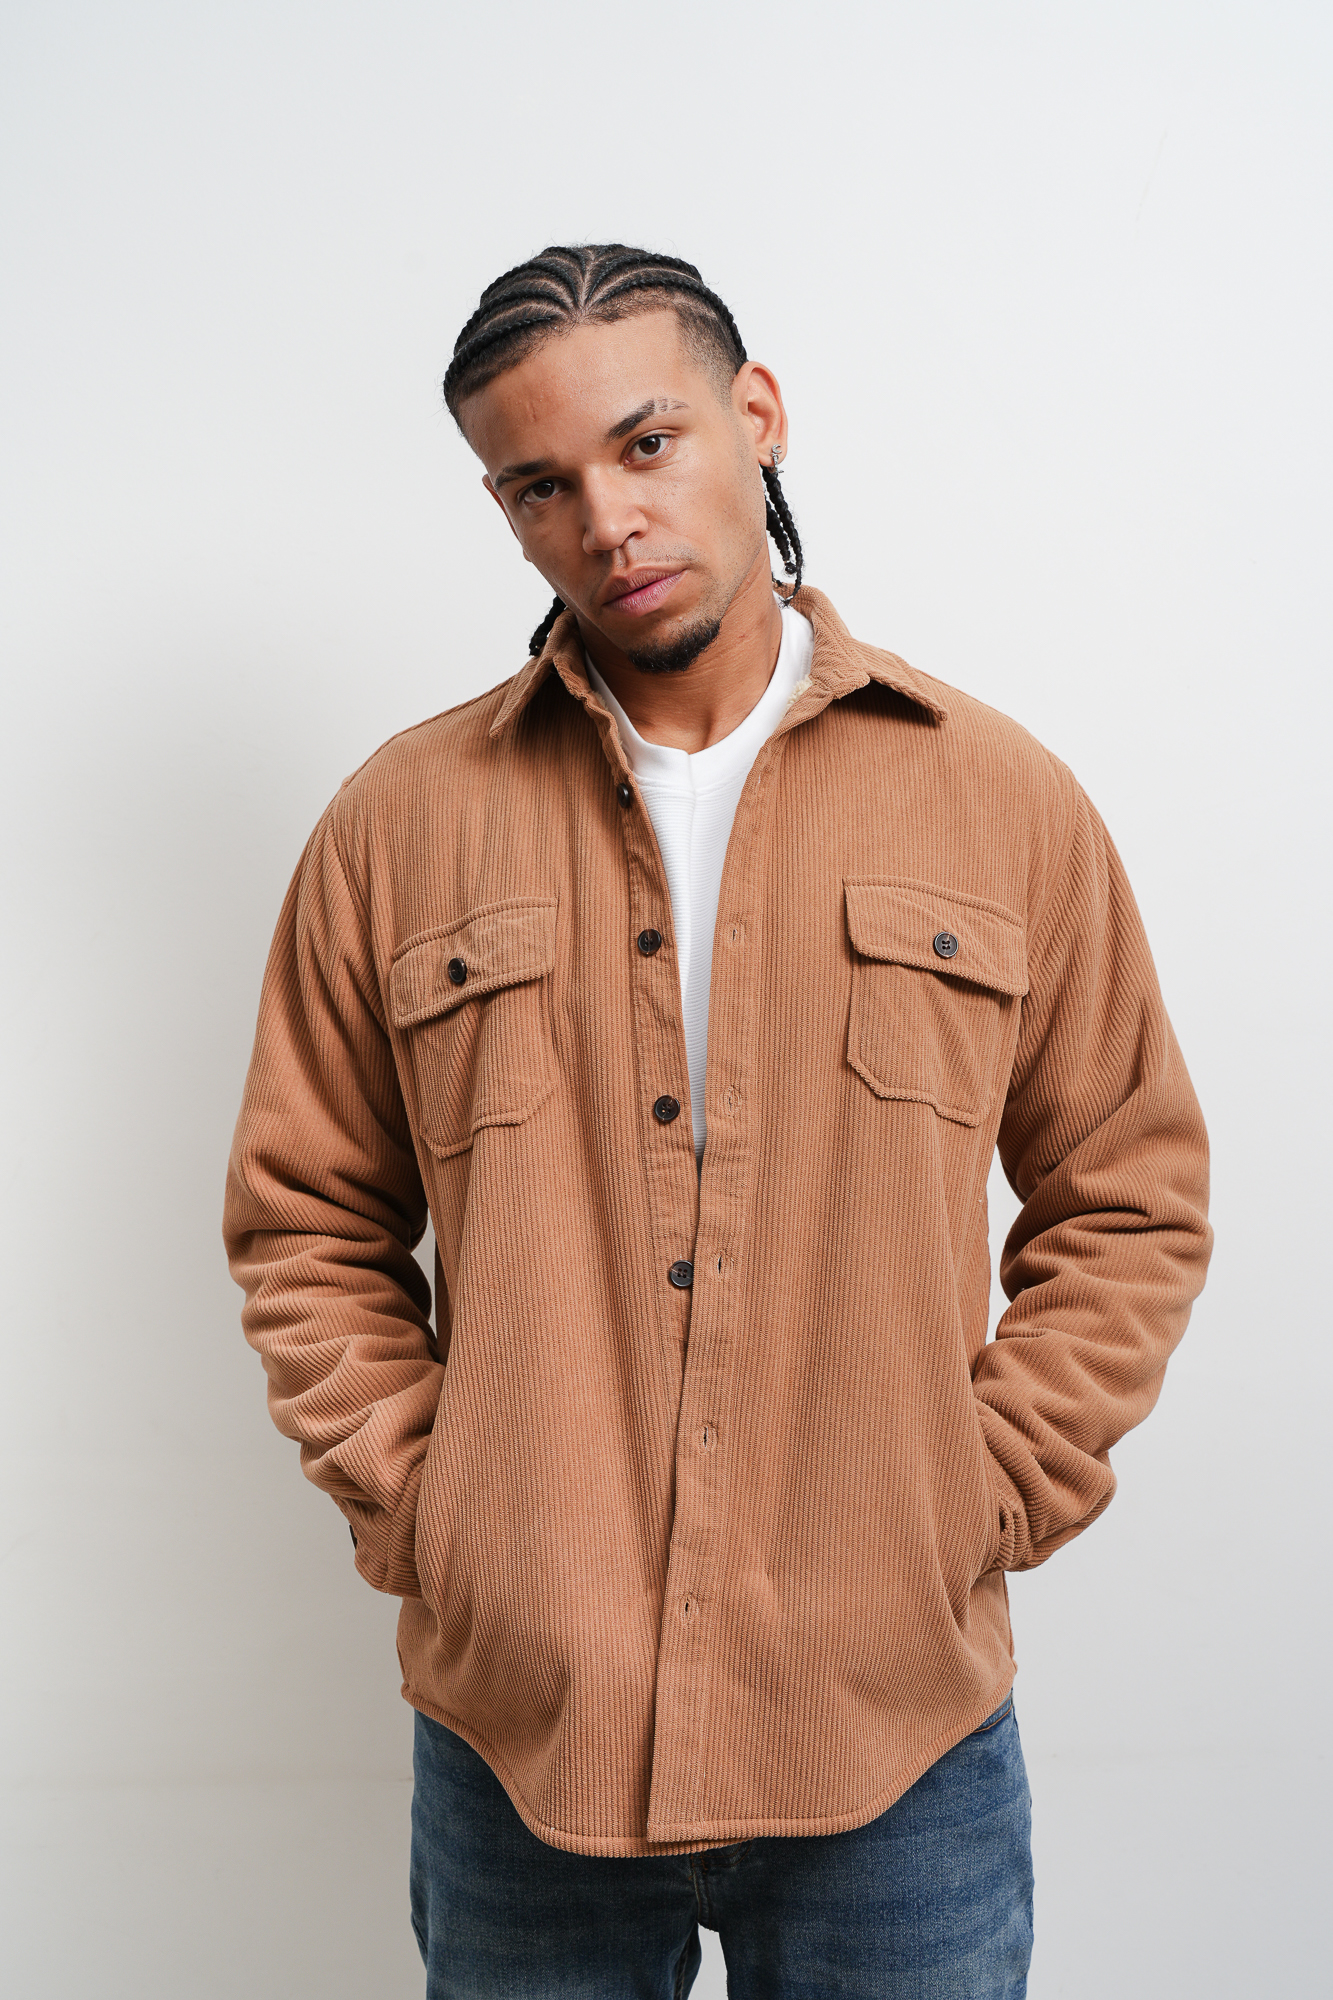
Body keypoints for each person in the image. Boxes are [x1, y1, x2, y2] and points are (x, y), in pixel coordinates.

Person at [223, 242, 1213, 1997]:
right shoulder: (400, 826)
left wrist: (975, 1494)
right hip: (525, 1735)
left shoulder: (998, 803)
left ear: (754, 417)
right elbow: (306, 1217)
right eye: (538, 486)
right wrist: (437, 1514)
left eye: (646, 443)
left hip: (892, 1729)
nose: (606, 519)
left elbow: (1127, 1191)